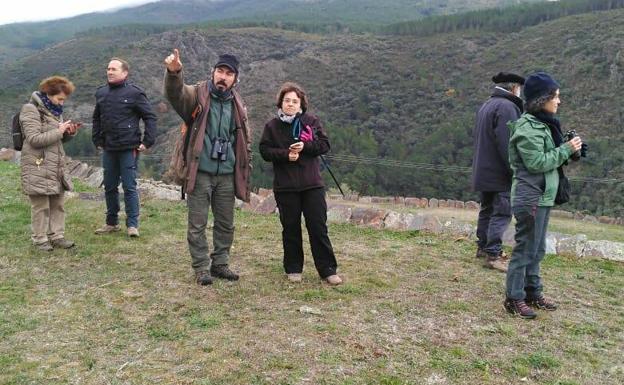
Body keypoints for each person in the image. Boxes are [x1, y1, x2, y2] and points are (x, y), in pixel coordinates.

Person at [164, 49, 252, 285]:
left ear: (235, 79)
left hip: (226, 175)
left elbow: (243, 140)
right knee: (197, 223)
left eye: (229, 74)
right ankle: (201, 267)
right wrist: (174, 74)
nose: (223, 77)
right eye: (220, 71)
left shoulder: (238, 104)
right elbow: (176, 94)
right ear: (213, 73)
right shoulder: (196, 95)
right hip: (200, 171)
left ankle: (220, 264)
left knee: (226, 223)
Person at [504, 72, 583, 319]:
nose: (559, 101)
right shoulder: (528, 128)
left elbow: (552, 156)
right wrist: (565, 149)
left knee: (537, 250)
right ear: (542, 99)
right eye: (555, 97)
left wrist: (572, 151)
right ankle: (514, 298)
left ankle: (532, 292)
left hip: (544, 196)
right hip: (530, 198)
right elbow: (537, 162)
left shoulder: (546, 124)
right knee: (525, 249)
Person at [259, 82, 342, 285]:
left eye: (294, 101)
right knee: (290, 227)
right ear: (281, 102)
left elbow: (324, 145)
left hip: (312, 184)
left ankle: (328, 269)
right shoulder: (272, 126)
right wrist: (286, 154)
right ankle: (293, 268)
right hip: (285, 186)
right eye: (287, 100)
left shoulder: (311, 122)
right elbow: (264, 151)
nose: (290, 104)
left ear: (301, 104)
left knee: (318, 227)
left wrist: (305, 146)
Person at [92, 57, 157, 238]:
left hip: (129, 147)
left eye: (113, 69)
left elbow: (150, 117)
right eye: (108, 68)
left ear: (125, 73)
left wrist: (148, 141)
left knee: (129, 186)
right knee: (110, 186)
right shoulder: (101, 93)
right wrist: (96, 139)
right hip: (109, 148)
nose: (109, 72)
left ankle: (132, 225)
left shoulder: (135, 93)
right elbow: (96, 118)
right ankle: (111, 223)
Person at [471, 72, 525, 272]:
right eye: (520, 88)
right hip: (500, 172)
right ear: (514, 88)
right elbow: (508, 144)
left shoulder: (487, 104)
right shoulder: (508, 107)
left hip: (483, 169)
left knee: (486, 209)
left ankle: (482, 248)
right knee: (501, 212)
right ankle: (493, 253)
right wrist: (515, 169)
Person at [20, 76, 81, 251]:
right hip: (37, 165)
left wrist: (68, 133)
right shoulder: (30, 110)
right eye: (59, 99)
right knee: (40, 205)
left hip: (55, 165)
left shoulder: (54, 112)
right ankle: (40, 239)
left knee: (57, 203)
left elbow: (56, 140)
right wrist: (59, 130)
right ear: (48, 94)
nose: (62, 103)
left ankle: (57, 236)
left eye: (64, 100)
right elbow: (34, 139)